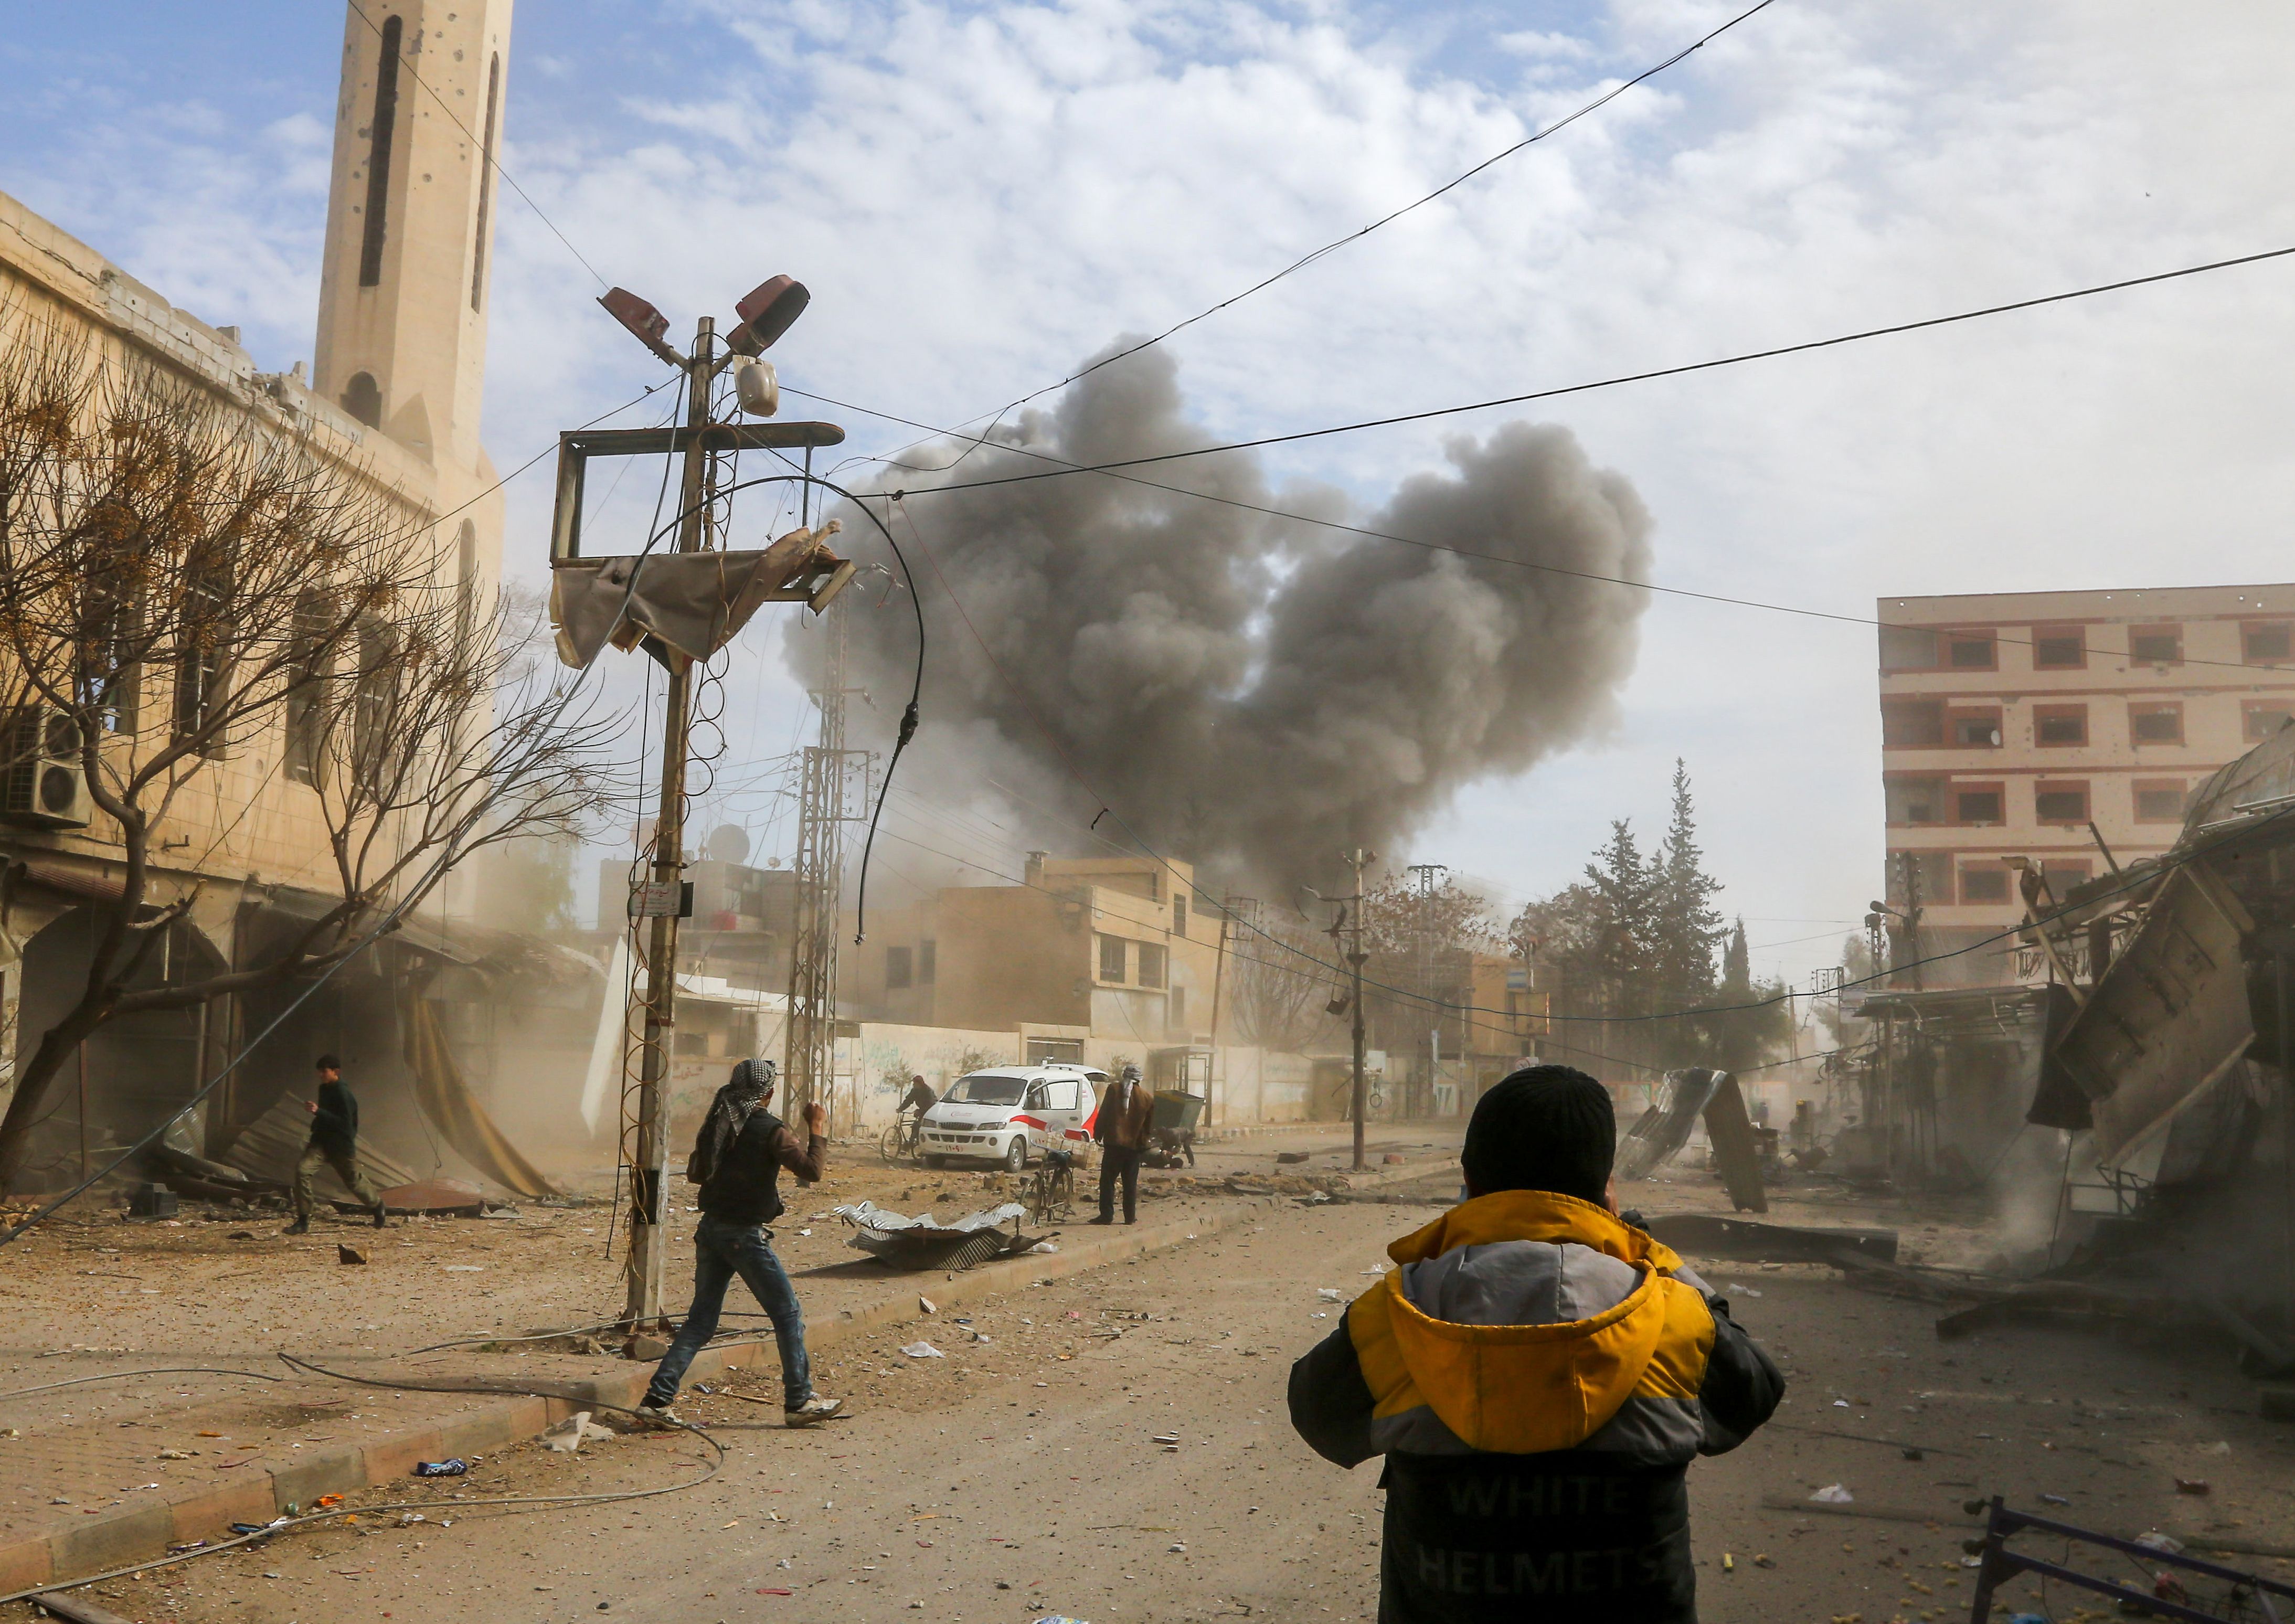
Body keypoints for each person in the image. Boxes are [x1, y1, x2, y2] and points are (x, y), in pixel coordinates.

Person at [1287, 1064, 1783, 1624]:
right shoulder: (1672, 1313)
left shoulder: (1398, 1312)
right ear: (1605, 1190)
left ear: (1470, 1183)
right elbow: (1755, 1391)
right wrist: (1647, 1249)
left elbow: (1317, 1414)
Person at [637, 1058, 843, 1427]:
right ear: (769, 1092)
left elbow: (697, 1173)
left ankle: (657, 1398)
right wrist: (817, 1127)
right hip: (743, 1235)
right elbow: (811, 1170)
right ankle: (799, 1400)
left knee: (701, 1322)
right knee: (788, 1314)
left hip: (712, 1229)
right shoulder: (769, 1129)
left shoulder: (717, 1121)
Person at [285, 1053, 384, 1235]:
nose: (321, 1075)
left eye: (324, 1071)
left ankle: (377, 1206)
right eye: (320, 1071)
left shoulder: (343, 1093)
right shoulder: (325, 1089)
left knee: (354, 1182)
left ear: (335, 1072)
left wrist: (319, 1112)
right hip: (321, 1144)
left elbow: (346, 1125)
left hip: (340, 1146)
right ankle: (303, 1220)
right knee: (302, 1172)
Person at [1088, 1062, 1154, 1225]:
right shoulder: (1147, 1098)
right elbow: (1148, 1127)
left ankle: (1107, 1216)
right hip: (1134, 1148)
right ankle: (1130, 1217)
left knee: (1108, 1181)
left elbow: (1104, 1113)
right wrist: (1143, 1144)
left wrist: (1098, 1132)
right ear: (1139, 1080)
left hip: (1114, 1145)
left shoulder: (1114, 1089)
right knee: (1130, 1184)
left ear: (1125, 1077)